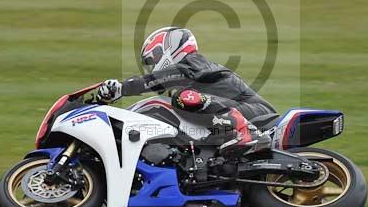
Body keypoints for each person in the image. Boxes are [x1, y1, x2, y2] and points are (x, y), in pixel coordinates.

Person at [96, 26, 277, 157]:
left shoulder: (193, 62)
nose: (153, 66)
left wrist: (122, 88)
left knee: (182, 99)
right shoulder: (189, 74)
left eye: (156, 57)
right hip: (237, 110)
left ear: (170, 48)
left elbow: (160, 79)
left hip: (256, 111)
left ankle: (246, 132)